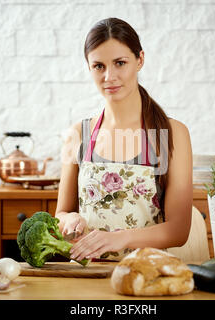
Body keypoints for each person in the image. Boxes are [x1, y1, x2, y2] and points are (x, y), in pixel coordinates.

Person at [55, 17, 193, 262]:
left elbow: (179, 230)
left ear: (140, 60)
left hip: (146, 274)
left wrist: (121, 237)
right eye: (99, 66)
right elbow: (60, 214)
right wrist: (68, 219)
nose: (109, 76)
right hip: (86, 275)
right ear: (88, 67)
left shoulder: (172, 134)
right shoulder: (77, 135)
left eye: (120, 63)